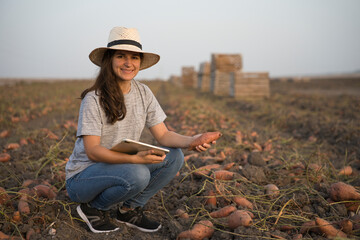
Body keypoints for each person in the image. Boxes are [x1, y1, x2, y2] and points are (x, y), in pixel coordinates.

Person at [65, 26, 215, 234]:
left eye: (134, 57)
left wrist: (193, 140)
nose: (129, 63)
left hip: (119, 166)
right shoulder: (94, 99)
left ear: (140, 63)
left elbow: (163, 134)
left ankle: (128, 209)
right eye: (121, 56)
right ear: (109, 60)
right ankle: (93, 209)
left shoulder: (143, 92)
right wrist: (135, 159)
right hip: (83, 178)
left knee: (174, 157)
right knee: (138, 173)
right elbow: (92, 151)